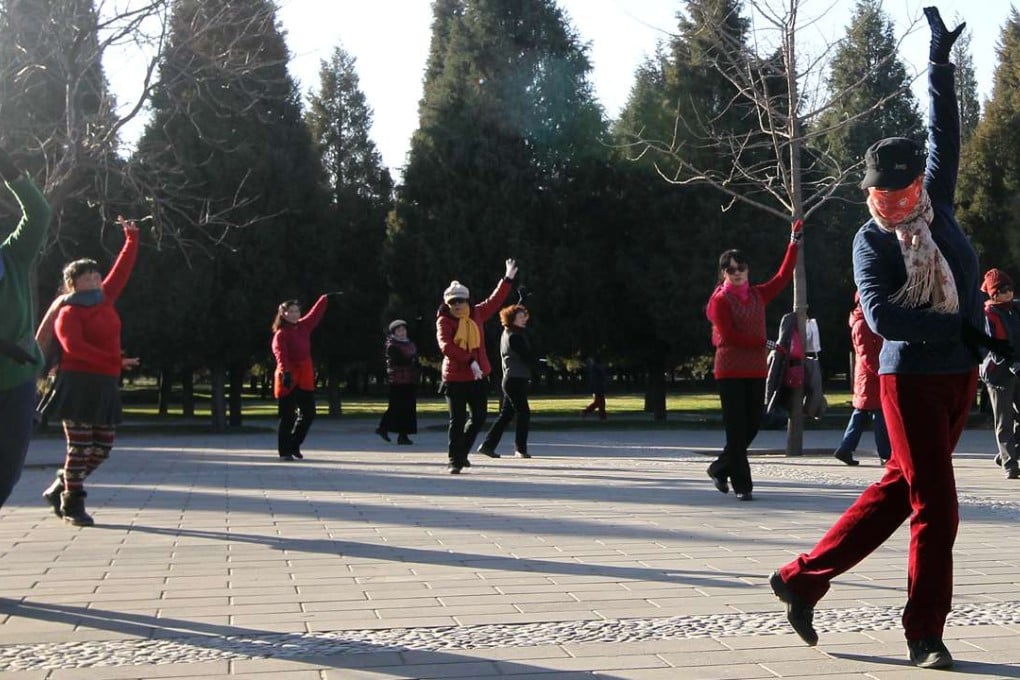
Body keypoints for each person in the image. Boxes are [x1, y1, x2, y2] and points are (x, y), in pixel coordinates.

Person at [769, 8, 1013, 669]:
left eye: (902, 193)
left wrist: (939, 63)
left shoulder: (938, 204)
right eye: (882, 195)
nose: (893, 205)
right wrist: (962, 327)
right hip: (906, 382)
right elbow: (882, 319)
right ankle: (924, 633)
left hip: (958, 375)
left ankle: (801, 578)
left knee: (897, 492)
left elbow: (944, 131)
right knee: (938, 506)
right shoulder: (870, 241)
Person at [38, 216, 140, 527]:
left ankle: (63, 482)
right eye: (86, 277)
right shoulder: (67, 310)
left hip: (105, 383)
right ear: (73, 283)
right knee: (80, 447)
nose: (95, 279)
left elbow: (122, 270)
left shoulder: (105, 297)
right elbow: (74, 348)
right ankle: (73, 506)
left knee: (104, 446)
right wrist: (115, 362)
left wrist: (132, 238)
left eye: (96, 274)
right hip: (77, 383)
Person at [706, 219, 803, 502]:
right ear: (723, 273)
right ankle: (743, 486)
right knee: (736, 427)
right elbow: (730, 336)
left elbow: (784, 276)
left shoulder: (758, 295)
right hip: (730, 370)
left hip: (755, 369)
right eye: (730, 269)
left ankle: (719, 467)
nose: (736, 273)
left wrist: (793, 243)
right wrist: (766, 343)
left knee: (753, 425)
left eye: (741, 268)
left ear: (748, 269)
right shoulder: (720, 301)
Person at [0, 149, 52, 509]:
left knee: (6, 474)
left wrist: (11, 174)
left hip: (16, 381)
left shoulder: (13, 257)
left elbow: (39, 214)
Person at [436, 258, 517, 474]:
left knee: (479, 417)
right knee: (457, 420)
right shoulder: (444, 321)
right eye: (453, 302)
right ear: (447, 304)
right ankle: (455, 460)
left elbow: (496, 299)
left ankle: (462, 453)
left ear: (467, 300)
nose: (457, 305)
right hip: (454, 378)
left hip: (478, 376)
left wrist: (507, 278)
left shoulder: (477, 314)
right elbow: (446, 346)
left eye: (461, 301)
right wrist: (469, 360)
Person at [271, 294, 332, 461]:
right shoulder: (281, 334)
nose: (295, 314)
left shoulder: (303, 327)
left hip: (304, 376)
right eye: (291, 311)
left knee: (309, 413)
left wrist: (324, 298)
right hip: (288, 377)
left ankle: (294, 444)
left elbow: (315, 315)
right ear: (283, 314)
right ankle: (284, 451)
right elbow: (280, 354)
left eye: (297, 311)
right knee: (287, 417)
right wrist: (286, 373)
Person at [832, 293, 891, 466]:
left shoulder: (865, 320)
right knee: (879, 416)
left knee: (861, 415)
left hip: (868, 377)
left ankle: (845, 449)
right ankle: (885, 454)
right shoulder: (863, 323)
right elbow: (867, 355)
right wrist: (881, 372)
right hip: (871, 377)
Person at [477, 303, 535, 459]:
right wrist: (539, 360)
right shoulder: (514, 336)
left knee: (506, 415)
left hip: (514, 379)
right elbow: (526, 355)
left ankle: (487, 445)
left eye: (525, 316)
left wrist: (521, 304)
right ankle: (520, 449)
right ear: (512, 319)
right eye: (521, 317)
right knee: (523, 413)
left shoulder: (510, 332)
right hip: (514, 380)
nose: (525, 319)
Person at [978, 268, 1020, 479]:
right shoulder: (989, 314)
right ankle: (1010, 464)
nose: (1009, 292)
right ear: (994, 293)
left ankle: (1009, 452)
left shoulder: (1015, 309)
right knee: (1004, 419)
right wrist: (1012, 363)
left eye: (1010, 288)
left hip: (1016, 368)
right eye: (1004, 289)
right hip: (998, 373)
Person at [376, 319, 419, 445]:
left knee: (409, 409)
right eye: (399, 330)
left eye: (403, 329)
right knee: (396, 407)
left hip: (410, 380)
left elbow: (413, 360)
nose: (402, 332)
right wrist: (412, 361)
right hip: (397, 381)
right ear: (394, 332)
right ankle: (383, 428)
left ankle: (403, 436)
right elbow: (399, 361)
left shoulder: (410, 344)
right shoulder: (392, 345)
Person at [581, 356, 608, 420]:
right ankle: (586, 412)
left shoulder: (594, 367)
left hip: (598, 387)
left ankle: (602, 416)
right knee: (599, 402)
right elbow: (600, 377)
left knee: (600, 402)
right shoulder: (596, 368)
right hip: (598, 387)